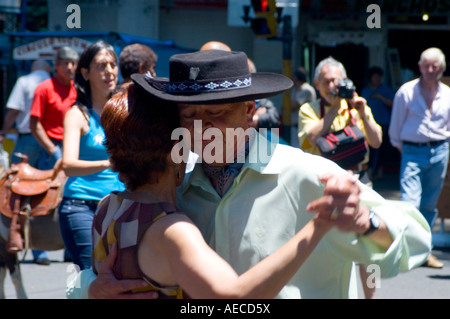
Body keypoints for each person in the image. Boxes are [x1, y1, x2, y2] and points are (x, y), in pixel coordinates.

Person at [67, 50, 431, 299]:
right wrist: (89, 291)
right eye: (190, 117)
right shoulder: (178, 191)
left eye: (218, 115)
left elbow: (415, 237)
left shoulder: (308, 174)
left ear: (249, 111)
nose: (204, 129)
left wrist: (367, 223)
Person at [89, 81, 335, 299]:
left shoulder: (106, 208)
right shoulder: (173, 230)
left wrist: (89, 290)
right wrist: (317, 227)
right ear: (177, 148)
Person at [59, 40, 125, 270]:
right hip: (81, 206)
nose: (109, 71)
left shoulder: (122, 111)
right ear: (85, 73)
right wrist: (108, 163)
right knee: (93, 275)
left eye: (113, 64)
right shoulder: (76, 115)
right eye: (101, 65)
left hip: (120, 206)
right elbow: (68, 165)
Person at [389, 47, 450, 269]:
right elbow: (395, 128)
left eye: (435, 66)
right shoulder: (406, 92)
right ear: (420, 67)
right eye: (427, 65)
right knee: (410, 203)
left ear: (442, 69)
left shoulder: (448, 94)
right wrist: (403, 149)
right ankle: (406, 248)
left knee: (429, 205)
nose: (431, 70)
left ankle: (425, 251)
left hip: (440, 150)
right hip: (412, 151)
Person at [28, 46, 79, 265]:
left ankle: (68, 245)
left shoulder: (77, 89)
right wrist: (52, 149)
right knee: (42, 199)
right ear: (56, 65)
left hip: (72, 148)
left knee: (71, 197)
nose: (69, 67)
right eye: (65, 63)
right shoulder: (44, 88)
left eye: (73, 63)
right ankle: (39, 250)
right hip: (50, 150)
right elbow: (34, 124)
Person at [298, 56, 382, 187]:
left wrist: (363, 113)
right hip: (323, 180)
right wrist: (334, 108)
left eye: (335, 81)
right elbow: (311, 140)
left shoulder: (356, 106)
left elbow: (376, 143)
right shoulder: (308, 109)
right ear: (316, 84)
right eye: (326, 82)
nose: (331, 87)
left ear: (345, 80)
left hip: (357, 177)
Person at [0, 60, 51, 166]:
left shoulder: (24, 81)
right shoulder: (55, 84)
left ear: (32, 69)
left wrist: (3, 132)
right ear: (49, 69)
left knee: (18, 174)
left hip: (29, 137)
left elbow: (14, 110)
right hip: (52, 140)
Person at [360, 67, 395, 180]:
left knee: (380, 149)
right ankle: (370, 171)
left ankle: (377, 171)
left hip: (383, 123)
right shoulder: (365, 90)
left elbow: (393, 103)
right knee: (370, 149)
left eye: (379, 77)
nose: (378, 79)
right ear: (370, 78)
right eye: (375, 76)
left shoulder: (385, 90)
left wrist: (380, 97)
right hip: (367, 125)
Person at [291, 67, 316, 148]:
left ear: (295, 78)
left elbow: (293, 106)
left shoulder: (306, 89)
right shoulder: (296, 89)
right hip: (295, 127)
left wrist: (286, 107)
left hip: (302, 128)